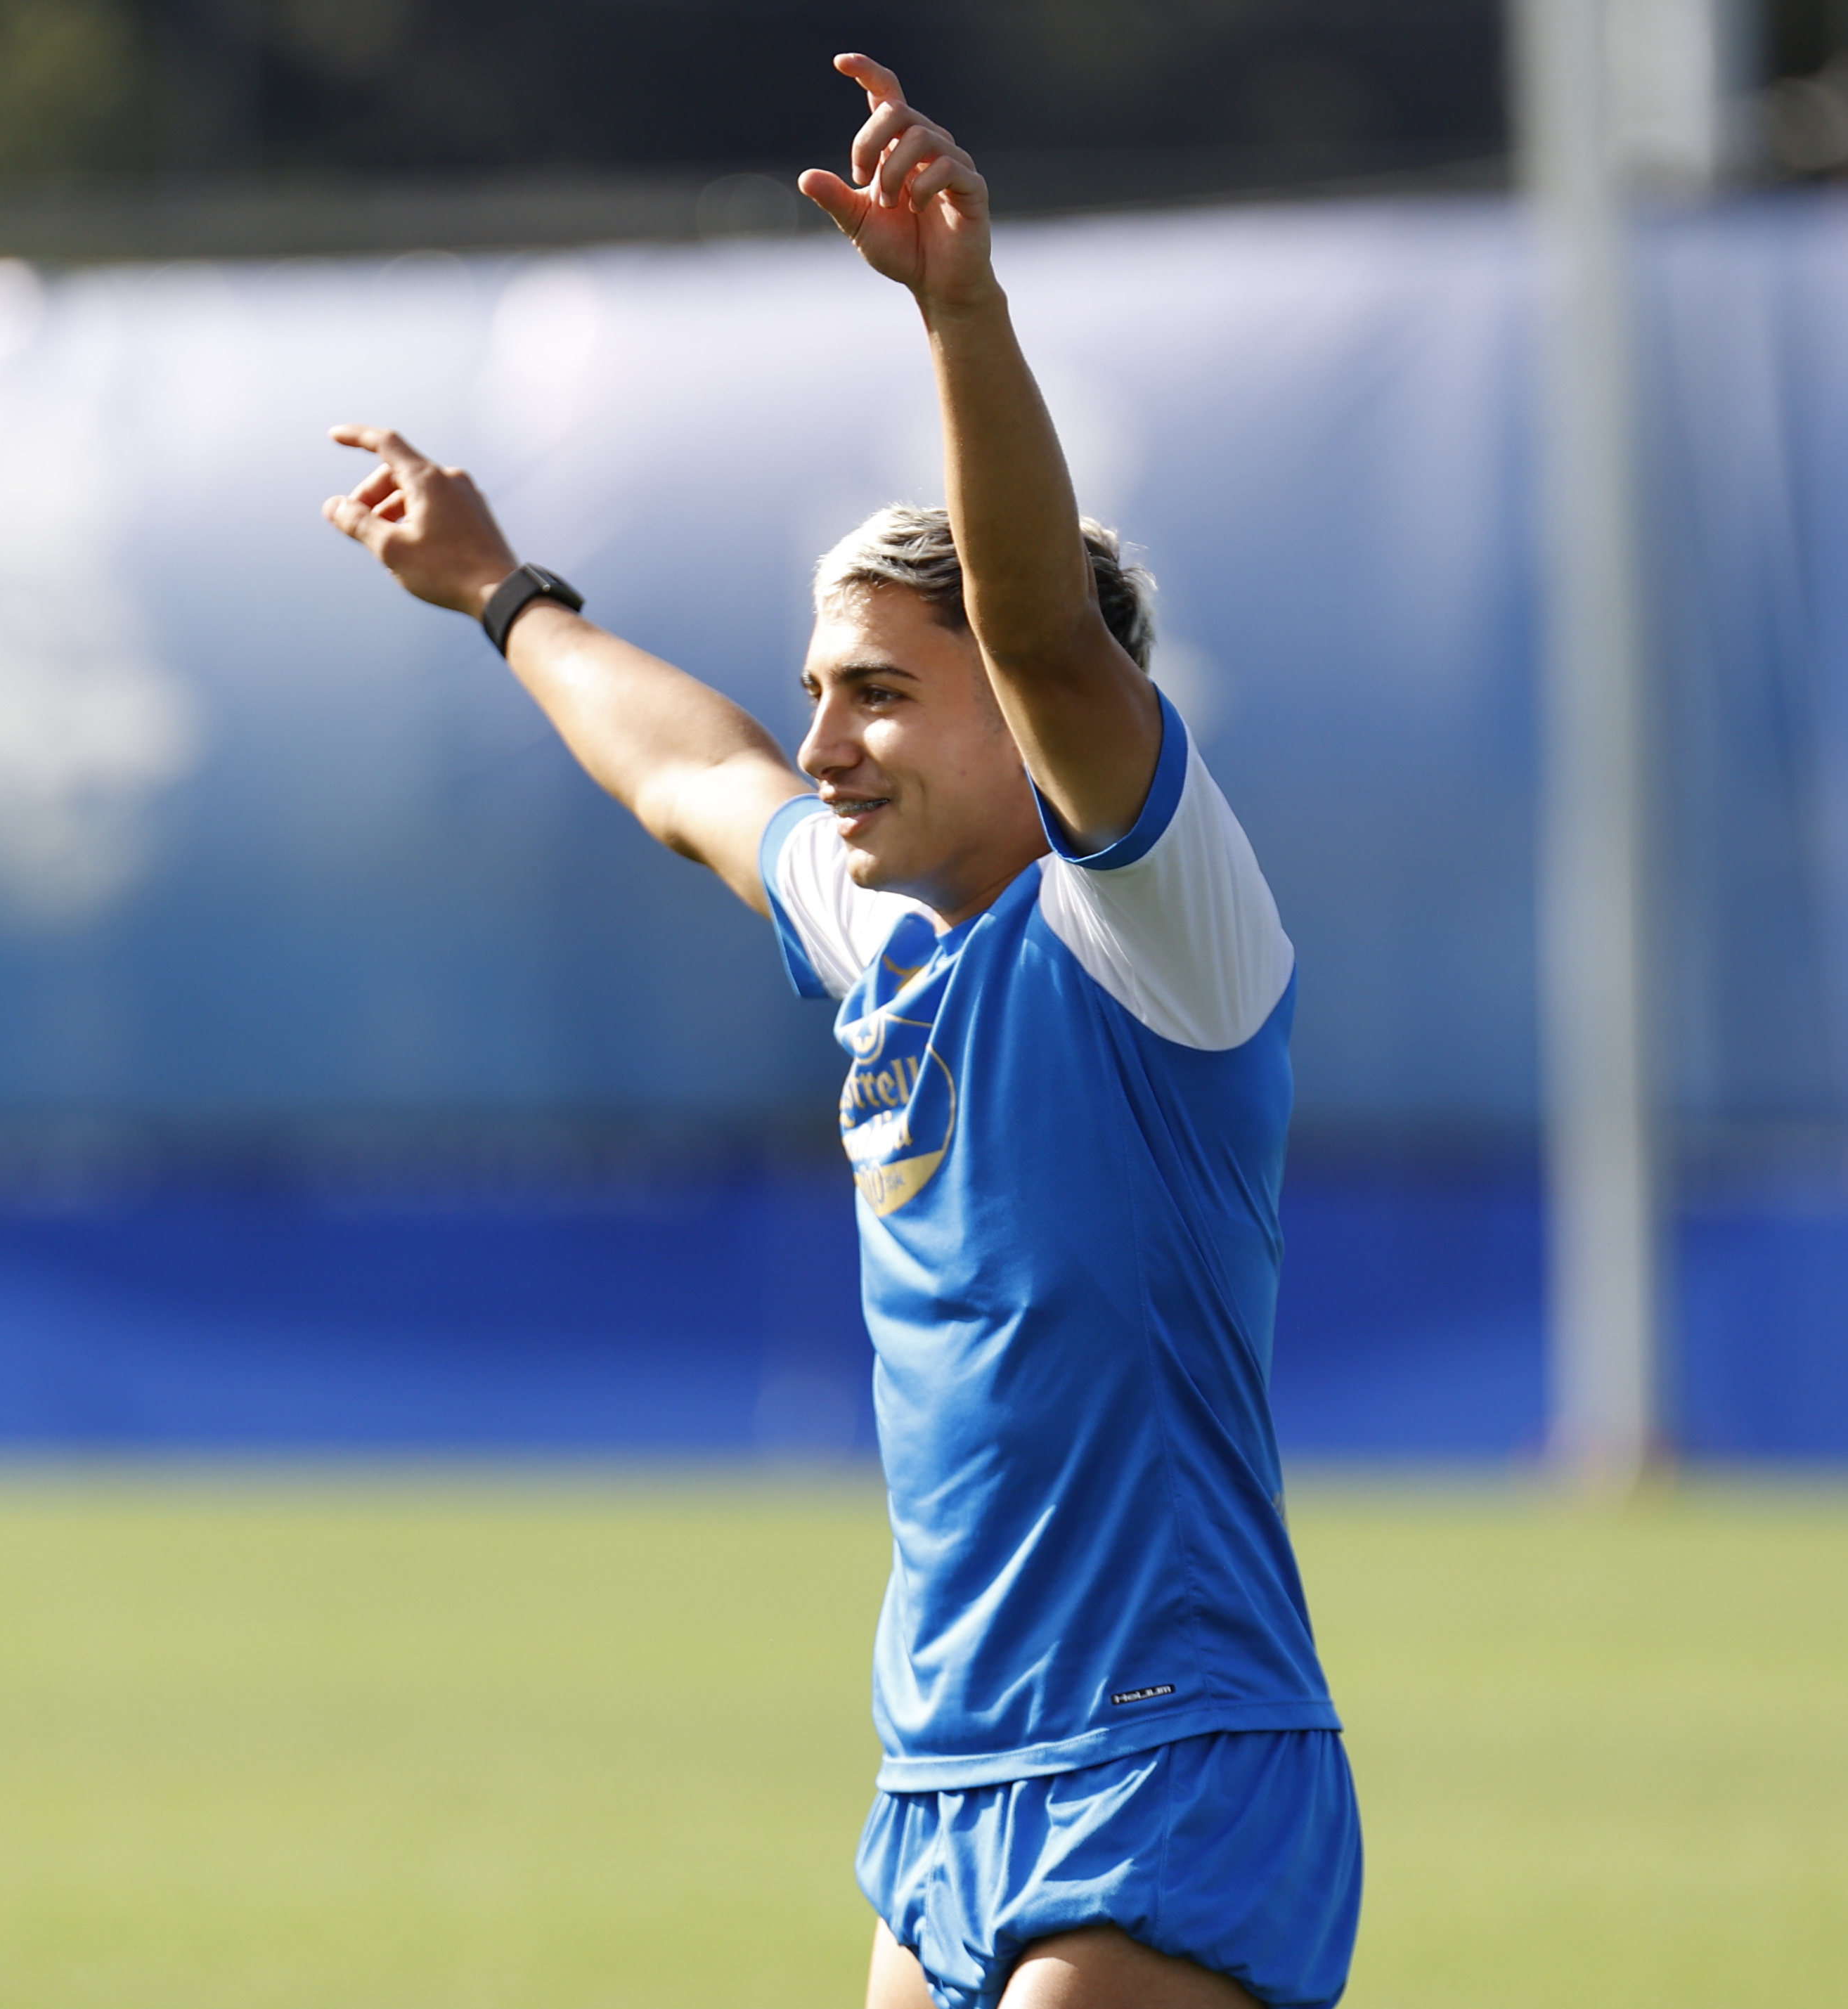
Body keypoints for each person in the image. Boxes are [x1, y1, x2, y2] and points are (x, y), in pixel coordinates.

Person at [318, 53, 1359, 2009]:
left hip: (1162, 1773)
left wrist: (959, 312)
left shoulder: (1161, 934)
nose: (824, 741)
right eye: (820, 686)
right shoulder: (884, 939)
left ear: (1030, 712)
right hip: (940, 1788)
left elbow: (1048, 636)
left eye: (877, 690)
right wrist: (499, 588)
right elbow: (690, 776)